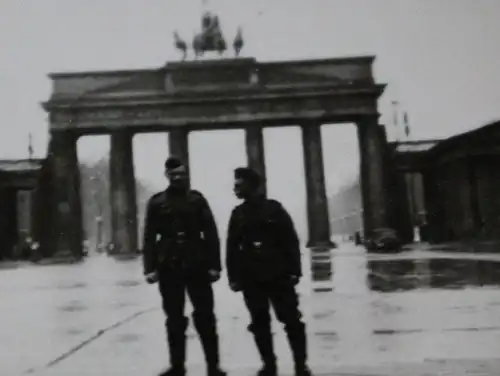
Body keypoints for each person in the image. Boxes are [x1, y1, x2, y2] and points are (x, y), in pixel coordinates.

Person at [142, 156, 226, 376]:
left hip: (197, 262)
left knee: (205, 315)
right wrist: (149, 268)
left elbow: (210, 233)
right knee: (174, 318)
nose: (178, 178)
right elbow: (149, 237)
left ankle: (213, 366)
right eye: (174, 175)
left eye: (181, 174)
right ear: (167, 176)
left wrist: (215, 265)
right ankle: (177, 366)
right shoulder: (156, 202)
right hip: (169, 264)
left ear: (186, 174)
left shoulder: (197, 200)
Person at [226, 167, 312, 376]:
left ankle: (300, 365)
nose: (234, 189)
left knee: (292, 321)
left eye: (239, 185)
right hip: (251, 278)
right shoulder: (237, 214)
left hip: (279, 275)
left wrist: (295, 271)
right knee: (259, 323)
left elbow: (291, 241)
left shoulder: (275, 209)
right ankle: (269, 365)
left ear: (251, 185)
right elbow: (231, 248)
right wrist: (234, 278)